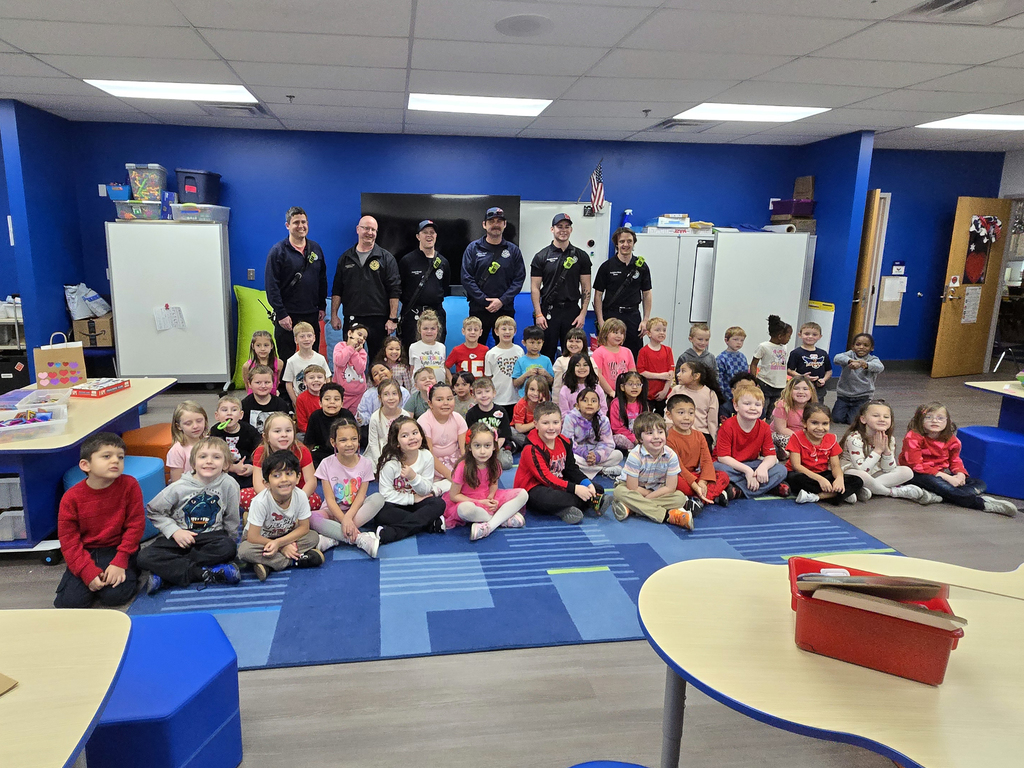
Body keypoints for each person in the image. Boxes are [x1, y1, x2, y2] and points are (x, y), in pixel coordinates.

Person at [139, 436, 241, 594]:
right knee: (144, 556)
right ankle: (205, 572)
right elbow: (154, 510)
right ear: (193, 463)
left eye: (216, 457)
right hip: (179, 538)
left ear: (226, 464)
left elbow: (232, 517)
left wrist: (231, 543)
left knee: (228, 548)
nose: (209, 461)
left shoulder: (229, 484)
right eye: (203, 457)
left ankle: (167, 574)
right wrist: (175, 531)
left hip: (211, 538)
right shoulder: (179, 486)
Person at [54, 433, 145, 609]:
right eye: (106, 456)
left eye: (120, 457)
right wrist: (87, 572)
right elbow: (69, 540)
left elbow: (135, 526)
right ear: (85, 465)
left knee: (115, 596)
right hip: (86, 551)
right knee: (71, 603)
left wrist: (120, 561)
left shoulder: (130, 485)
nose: (115, 461)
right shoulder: (71, 498)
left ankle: (131, 569)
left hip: (117, 548)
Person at [899, 402, 1017, 515]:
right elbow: (916, 465)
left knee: (980, 483)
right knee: (938, 483)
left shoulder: (952, 440)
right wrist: (947, 478)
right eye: (928, 417)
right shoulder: (913, 437)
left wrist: (960, 474)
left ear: (947, 421)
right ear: (920, 420)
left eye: (940, 418)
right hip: (915, 474)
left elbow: (955, 461)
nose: (934, 420)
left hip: (940, 475)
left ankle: (938, 496)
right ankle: (982, 504)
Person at [515, 401, 609, 525]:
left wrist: (587, 483)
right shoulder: (531, 448)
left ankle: (571, 506)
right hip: (535, 489)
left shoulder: (564, 442)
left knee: (597, 488)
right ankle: (589, 501)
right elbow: (546, 478)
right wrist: (575, 489)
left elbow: (571, 469)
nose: (551, 427)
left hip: (559, 484)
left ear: (561, 422)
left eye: (555, 422)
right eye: (545, 423)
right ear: (535, 424)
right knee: (548, 499)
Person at [238, 450, 325, 581]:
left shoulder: (300, 495)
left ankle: (268, 565)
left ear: (298, 477)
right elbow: (253, 536)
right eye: (277, 475)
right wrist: (282, 547)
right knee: (244, 551)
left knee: (313, 537)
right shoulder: (261, 501)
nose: (284, 479)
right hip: (261, 539)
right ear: (266, 483)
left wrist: (279, 543)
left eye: (289, 474)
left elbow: (304, 528)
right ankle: (294, 561)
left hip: (285, 535)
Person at [330, 215, 401, 362]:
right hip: (353, 316)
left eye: (373, 230)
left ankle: (378, 385)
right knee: (351, 359)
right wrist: (334, 315)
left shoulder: (386, 258)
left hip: (379, 319)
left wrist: (392, 318)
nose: (370, 232)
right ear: (358, 230)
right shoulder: (345, 258)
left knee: (379, 360)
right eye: (366, 228)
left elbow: (394, 290)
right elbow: (337, 289)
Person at [368, 416, 448, 548]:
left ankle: (393, 533)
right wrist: (412, 498)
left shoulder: (426, 456)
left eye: (415, 433)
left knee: (438, 504)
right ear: (397, 442)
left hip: (419, 502)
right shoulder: (390, 463)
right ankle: (429, 524)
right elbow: (385, 494)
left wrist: (413, 477)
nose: (412, 438)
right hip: (396, 504)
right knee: (381, 513)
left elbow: (427, 489)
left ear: (421, 436)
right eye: (405, 435)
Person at [264, 206, 327, 367]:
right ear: (288, 225)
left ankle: (313, 391)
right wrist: (281, 313)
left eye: (304, 222)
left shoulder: (316, 249)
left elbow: (322, 279)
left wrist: (322, 306)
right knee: (287, 360)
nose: (301, 226)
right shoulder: (278, 251)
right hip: (287, 315)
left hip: (311, 313)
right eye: (296, 222)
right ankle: (286, 392)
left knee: (312, 359)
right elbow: (272, 286)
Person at [313, 418, 385, 557]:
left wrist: (348, 518)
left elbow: (360, 497)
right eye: (343, 440)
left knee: (378, 498)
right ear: (334, 442)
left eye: (353, 439)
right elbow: (329, 500)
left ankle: (334, 537)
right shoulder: (326, 464)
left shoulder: (365, 464)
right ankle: (358, 538)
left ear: (359, 440)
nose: (349, 444)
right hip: (332, 512)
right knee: (311, 517)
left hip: (355, 510)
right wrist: (343, 519)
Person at [841, 400, 939, 503]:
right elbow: (862, 470)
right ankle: (893, 492)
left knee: (907, 471)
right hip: (853, 473)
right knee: (862, 476)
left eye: (886, 417)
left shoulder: (889, 439)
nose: (882, 419)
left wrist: (886, 451)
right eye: (876, 416)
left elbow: (889, 468)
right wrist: (877, 451)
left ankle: (863, 489)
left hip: (873, 472)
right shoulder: (854, 439)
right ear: (863, 419)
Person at [444, 422, 529, 540]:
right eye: (477, 446)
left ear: (494, 446)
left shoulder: (495, 464)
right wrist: (480, 502)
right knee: (464, 509)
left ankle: (490, 525)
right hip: (468, 500)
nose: (482, 451)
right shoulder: (463, 467)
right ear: (469, 447)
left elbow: (493, 483)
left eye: (487, 446)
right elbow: (454, 496)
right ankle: (501, 519)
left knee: (523, 494)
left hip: (487, 498)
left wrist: (491, 497)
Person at [610, 412, 695, 528]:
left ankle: (631, 508)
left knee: (679, 498)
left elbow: (670, 487)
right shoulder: (635, 455)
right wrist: (647, 495)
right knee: (619, 492)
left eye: (660, 432)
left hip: (657, 489)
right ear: (640, 438)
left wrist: (648, 498)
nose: (656, 437)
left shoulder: (671, 455)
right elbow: (632, 487)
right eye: (650, 433)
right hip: (632, 488)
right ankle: (668, 516)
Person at [530, 213, 592, 359]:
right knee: (546, 353)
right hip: (548, 311)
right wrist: (539, 314)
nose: (563, 230)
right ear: (552, 229)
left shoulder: (581, 256)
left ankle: (570, 382)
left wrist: (583, 314)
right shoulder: (541, 256)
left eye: (567, 227)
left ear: (571, 230)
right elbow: (535, 288)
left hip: (572, 311)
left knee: (573, 354)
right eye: (559, 227)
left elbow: (586, 287)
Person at [461, 206, 526, 345]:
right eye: (491, 221)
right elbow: (466, 277)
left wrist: (501, 300)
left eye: (499, 221)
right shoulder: (473, 248)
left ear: (505, 224)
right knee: (476, 348)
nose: (495, 225)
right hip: (479, 308)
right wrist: (485, 300)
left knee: (506, 349)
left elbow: (519, 279)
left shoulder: (513, 250)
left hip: (505, 308)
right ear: (484, 225)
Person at [713, 382, 788, 500]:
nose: (753, 408)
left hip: (753, 464)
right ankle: (766, 487)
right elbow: (723, 457)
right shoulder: (727, 426)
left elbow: (771, 456)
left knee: (781, 470)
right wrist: (747, 471)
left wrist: (762, 468)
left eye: (757, 405)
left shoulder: (764, 427)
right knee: (716, 468)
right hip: (731, 466)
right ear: (736, 406)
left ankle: (739, 491)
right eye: (747, 404)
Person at [787, 404, 864, 505]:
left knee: (857, 480)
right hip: (803, 474)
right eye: (814, 423)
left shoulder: (831, 439)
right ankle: (842, 494)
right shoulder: (796, 437)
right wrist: (820, 479)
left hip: (822, 473)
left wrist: (839, 479)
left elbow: (835, 466)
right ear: (804, 423)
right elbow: (796, 466)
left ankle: (818, 496)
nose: (820, 428)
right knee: (795, 480)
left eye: (825, 424)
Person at [593, 227, 652, 359]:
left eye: (629, 241)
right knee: (609, 354)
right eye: (622, 241)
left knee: (634, 355)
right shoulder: (606, 267)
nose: (626, 245)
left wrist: (645, 320)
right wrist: (601, 321)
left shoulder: (642, 266)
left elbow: (647, 294)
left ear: (634, 243)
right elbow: (597, 295)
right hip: (612, 316)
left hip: (633, 316)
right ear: (617, 244)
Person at [245, 413, 322, 513]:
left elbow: (311, 481)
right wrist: (272, 501)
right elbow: (258, 483)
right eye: (277, 431)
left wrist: (297, 500)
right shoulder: (261, 452)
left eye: (288, 430)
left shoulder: (301, 450)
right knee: (243, 496)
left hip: (296, 492)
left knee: (315, 501)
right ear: (266, 436)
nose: (284, 434)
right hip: (270, 494)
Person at [665, 394, 731, 510]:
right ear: (669, 415)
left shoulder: (699, 436)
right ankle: (711, 495)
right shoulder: (668, 438)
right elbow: (679, 467)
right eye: (681, 413)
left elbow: (706, 461)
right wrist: (695, 485)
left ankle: (698, 500)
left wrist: (703, 482)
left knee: (723, 476)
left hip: (696, 476)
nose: (687, 418)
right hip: (679, 475)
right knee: (676, 483)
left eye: (691, 413)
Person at [398, 219, 450, 345]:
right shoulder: (407, 261)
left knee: (436, 354)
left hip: (436, 314)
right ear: (418, 236)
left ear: (436, 236)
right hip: (413, 315)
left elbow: (444, 289)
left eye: (432, 232)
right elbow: (399, 289)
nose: (429, 235)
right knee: (410, 354)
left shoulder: (443, 262)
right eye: (425, 232)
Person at [562, 388, 623, 480]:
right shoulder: (570, 418)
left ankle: (587, 470)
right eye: (585, 400)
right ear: (577, 406)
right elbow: (567, 443)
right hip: (579, 455)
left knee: (618, 455)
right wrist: (584, 454)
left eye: (593, 401)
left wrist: (597, 455)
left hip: (596, 454)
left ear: (598, 406)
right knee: (571, 459)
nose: (589, 404)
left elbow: (608, 443)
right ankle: (601, 470)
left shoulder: (603, 419)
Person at [417, 382, 467, 486]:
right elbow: (428, 455)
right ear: (430, 403)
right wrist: (451, 476)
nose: (446, 403)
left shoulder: (458, 418)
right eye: (440, 400)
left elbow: (464, 450)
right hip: (431, 463)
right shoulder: (423, 421)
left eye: (449, 399)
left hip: (454, 460)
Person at [209, 395, 261, 490]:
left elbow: (259, 450)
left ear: (241, 415)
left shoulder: (249, 430)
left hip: (247, 465)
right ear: (217, 416)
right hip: (224, 467)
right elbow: (213, 456)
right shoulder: (215, 431)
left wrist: (252, 467)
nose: (229, 413)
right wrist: (232, 468)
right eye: (224, 410)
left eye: (234, 410)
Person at [833, 333, 884, 424]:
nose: (861, 347)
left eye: (866, 345)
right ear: (853, 346)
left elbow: (880, 367)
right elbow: (837, 358)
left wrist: (863, 364)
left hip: (862, 397)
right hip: (844, 396)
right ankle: (848, 411)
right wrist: (850, 361)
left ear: (871, 348)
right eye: (858, 344)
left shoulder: (873, 359)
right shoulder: (849, 355)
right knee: (837, 418)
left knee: (852, 421)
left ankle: (862, 411)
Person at [668, 360, 720, 448]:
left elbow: (712, 421)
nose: (678, 375)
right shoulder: (677, 390)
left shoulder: (710, 394)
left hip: (701, 434)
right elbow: (668, 413)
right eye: (679, 371)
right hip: (678, 432)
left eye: (683, 371)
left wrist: (714, 441)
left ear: (696, 376)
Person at [303, 383, 356, 467]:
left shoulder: (347, 415)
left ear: (342, 403)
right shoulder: (315, 416)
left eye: (336, 399)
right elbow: (309, 443)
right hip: (322, 454)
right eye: (327, 399)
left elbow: (354, 440)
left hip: (344, 451)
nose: (332, 402)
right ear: (320, 403)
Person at [466, 376, 515, 467]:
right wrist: (482, 450)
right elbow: (471, 437)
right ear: (474, 397)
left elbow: (503, 436)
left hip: (497, 445)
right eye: (479, 393)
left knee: (505, 463)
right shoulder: (471, 414)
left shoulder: (501, 411)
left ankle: (510, 448)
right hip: (480, 445)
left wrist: (493, 449)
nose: (484, 395)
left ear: (494, 393)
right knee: (474, 463)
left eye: (487, 391)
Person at [749, 314, 792, 419]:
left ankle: (769, 428)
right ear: (780, 336)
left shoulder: (785, 347)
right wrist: (754, 380)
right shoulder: (764, 346)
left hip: (780, 384)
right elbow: (754, 363)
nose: (789, 339)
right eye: (788, 336)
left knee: (774, 410)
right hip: (766, 382)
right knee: (762, 408)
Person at [366, 379, 411, 471]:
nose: (391, 398)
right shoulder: (375, 417)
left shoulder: (405, 415)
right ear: (380, 398)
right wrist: (379, 461)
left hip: (399, 449)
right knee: (369, 465)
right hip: (380, 450)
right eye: (386, 394)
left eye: (394, 394)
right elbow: (373, 443)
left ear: (400, 396)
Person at [283, 321, 331, 407]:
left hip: (319, 401)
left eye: (309, 336)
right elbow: (288, 384)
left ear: (314, 338)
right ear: (296, 340)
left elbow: (327, 378)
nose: (306, 339)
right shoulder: (291, 361)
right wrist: (296, 401)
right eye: (302, 336)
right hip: (301, 402)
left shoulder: (320, 359)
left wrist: (326, 397)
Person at [770, 375, 817, 461]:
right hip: (782, 435)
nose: (801, 392)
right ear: (789, 391)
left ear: (811, 392)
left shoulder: (814, 408)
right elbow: (781, 429)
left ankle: (790, 453)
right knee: (785, 439)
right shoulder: (782, 405)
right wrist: (800, 438)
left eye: (805, 389)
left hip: (803, 436)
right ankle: (790, 451)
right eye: (796, 388)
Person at [484, 316, 523, 411]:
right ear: (496, 332)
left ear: (515, 331)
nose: (507, 332)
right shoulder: (491, 353)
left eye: (510, 329)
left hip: (516, 398)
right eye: (504, 329)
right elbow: (488, 377)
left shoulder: (519, 351)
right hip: (497, 399)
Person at [637, 317, 673, 413]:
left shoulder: (668, 350)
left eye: (664, 330)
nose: (662, 333)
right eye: (657, 330)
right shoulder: (643, 351)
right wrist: (660, 376)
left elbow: (671, 372)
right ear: (649, 333)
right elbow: (641, 372)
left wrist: (665, 390)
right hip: (647, 393)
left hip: (663, 393)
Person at [593, 318, 635, 399]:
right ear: (605, 333)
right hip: (606, 394)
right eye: (615, 332)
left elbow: (633, 373)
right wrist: (610, 392)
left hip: (625, 393)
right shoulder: (599, 352)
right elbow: (598, 375)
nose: (619, 336)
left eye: (621, 333)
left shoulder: (627, 351)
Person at [242, 365, 292, 432]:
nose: (263, 386)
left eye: (267, 382)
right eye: (258, 383)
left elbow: (285, 427)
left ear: (273, 384)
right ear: (249, 384)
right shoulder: (244, 405)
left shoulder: (281, 404)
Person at [787, 322, 832, 398]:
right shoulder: (796, 353)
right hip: (801, 387)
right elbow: (789, 370)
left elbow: (829, 371)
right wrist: (802, 377)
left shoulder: (823, 353)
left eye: (814, 335)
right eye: (807, 334)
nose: (810, 337)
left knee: (816, 408)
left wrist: (823, 380)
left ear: (820, 336)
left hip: (818, 389)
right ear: (800, 335)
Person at [166, 401, 208, 483]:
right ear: (179, 426)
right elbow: (176, 483)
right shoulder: (177, 450)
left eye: (199, 421)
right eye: (188, 423)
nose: (195, 426)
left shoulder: (209, 442)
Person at [332, 322, 369, 412]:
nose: (361, 338)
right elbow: (339, 362)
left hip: (358, 394)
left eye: (364, 338)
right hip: (342, 393)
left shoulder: (362, 352)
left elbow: (360, 369)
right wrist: (351, 348)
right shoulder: (340, 346)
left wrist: (355, 353)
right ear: (350, 333)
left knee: (354, 419)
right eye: (359, 334)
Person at [609, 370, 648, 452]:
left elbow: (647, 424)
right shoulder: (616, 403)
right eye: (630, 384)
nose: (634, 387)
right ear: (622, 387)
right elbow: (617, 428)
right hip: (626, 437)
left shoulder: (643, 404)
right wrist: (633, 439)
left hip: (640, 437)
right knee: (619, 439)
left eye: (638, 384)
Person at [511, 325, 554, 397]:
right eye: (532, 342)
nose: (535, 346)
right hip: (525, 397)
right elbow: (515, 383)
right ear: (524, 342)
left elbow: (552, 381)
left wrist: (546, 374)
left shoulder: (546, 360)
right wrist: (526, 374)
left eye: (539, 343)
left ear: (543, 343)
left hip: (543, 398)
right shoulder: (520, 361)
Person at [408, 309, 448, 383]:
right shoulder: (413, 347)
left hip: (438, 387)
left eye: (432, 328)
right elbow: (412, 369)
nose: (429, 331)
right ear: (419, 329)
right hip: (420, 388)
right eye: (425, 328)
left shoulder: (442, 347)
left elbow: (443, 367)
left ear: (437, 330)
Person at [677, 323, 719, 391]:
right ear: (691, 339)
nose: (703, 343)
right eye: (700, 339)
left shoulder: (710, 357)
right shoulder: (684, 357)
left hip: (706, 392)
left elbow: (715, 376)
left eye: (706, 340)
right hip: (687, 391)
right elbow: (679, 377)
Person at [716, 326, 748, 416]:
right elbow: (720, 379)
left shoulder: (742, 357)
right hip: (727, 395)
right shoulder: (721, 358)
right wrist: (723, 395)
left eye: (742, 340)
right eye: (735, 339)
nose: (739, 343)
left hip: (742, 395)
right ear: (726, 340)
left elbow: (746, 376)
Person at [513, 374, 550, 447]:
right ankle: (531, 445)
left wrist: (543, 408)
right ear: (527, 390)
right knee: (512, 432)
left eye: (539, 391)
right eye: (532, 389)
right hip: (523, 433)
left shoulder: (546, 404)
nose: (535, 394)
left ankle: (521, 445)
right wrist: (536, 423)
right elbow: (519, 428)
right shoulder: (521, 404)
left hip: (537, 432)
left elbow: (548, 424)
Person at [241, 329, 282, 395]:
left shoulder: (279, 363)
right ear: (253, 346)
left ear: (271, 346)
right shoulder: (247, 366)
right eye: (258, 345)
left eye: (266, 345)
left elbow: (277, 383)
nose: (262, 349)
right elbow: (247, 385)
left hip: (272, 398)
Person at [294, 364, 327, 433]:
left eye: (319, 377)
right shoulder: (301, 398)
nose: (316, 380)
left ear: (325, 381)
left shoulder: (329, 396)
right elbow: (302, 424)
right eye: (311, 378)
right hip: (310, 432)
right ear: (305, 382)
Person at [552, 327, 587, 394]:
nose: (573, 344)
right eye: (570, 341)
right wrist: (556, 402)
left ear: (584, 343)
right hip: (566, 399)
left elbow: (595, 383)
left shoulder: (590, 360)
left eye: (577, 341)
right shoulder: (560, 361)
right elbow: (557, 386)